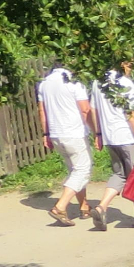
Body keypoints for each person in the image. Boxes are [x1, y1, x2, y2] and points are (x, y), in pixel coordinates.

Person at [88, 59, 134, 229]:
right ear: (122, 63)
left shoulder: (98, 82)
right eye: (130, 64)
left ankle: (101, 206)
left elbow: (93, 111)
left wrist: (98, 134)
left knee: (119, 174)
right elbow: (131, 115)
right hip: (128, 137)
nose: (131, 68)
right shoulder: (125, 83)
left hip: (111, 138)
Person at [35, 61, 94, 228]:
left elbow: (42, 111)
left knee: (75, 170)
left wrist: (46, 134)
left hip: (56, 134)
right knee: (83, 169)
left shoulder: (44, 84)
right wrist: (96, 132)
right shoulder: (74, 81)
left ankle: (84, 207)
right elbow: (85, 109)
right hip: (74, 133)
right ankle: (60, 207)